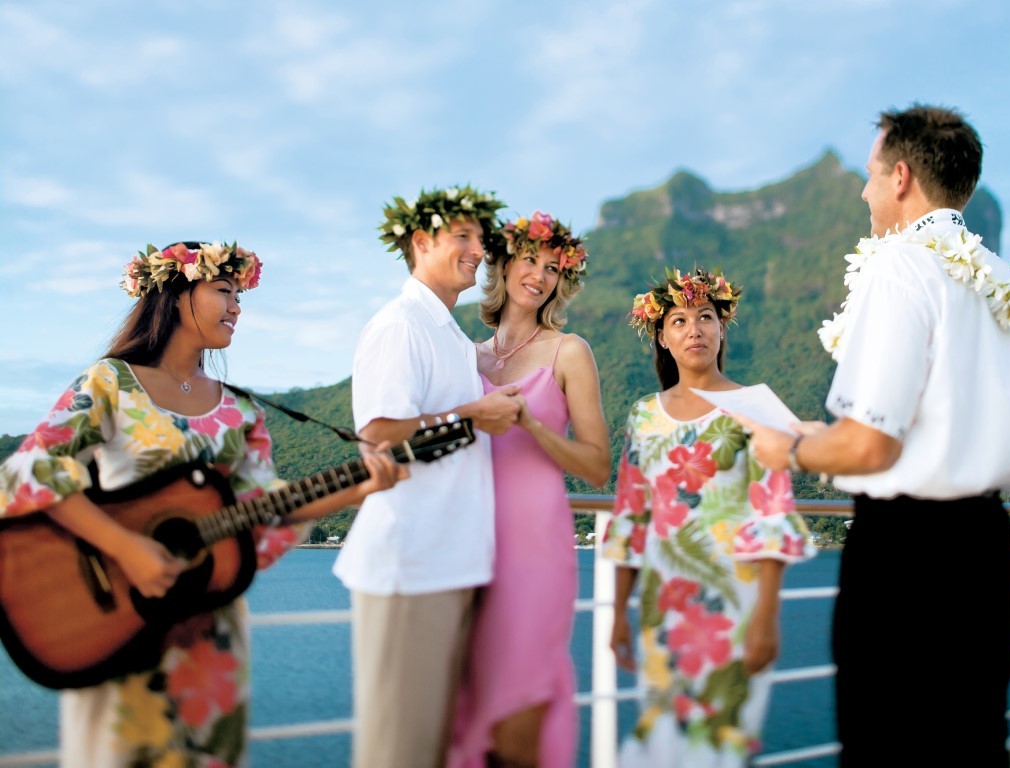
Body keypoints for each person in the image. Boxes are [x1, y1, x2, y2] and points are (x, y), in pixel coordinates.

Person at [735, 105, 1010, 766]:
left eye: (870, 175)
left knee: (887, 741)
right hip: (987, 552)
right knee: (971, 741)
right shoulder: (1009, 284)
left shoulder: (902, 267)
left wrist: (790, 448)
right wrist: (841, 435)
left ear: (902, 177)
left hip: (907, 560)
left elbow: (869, 447)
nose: (863, 191)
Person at [0, 240, 406, 768]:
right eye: (224, 291)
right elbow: (28, 468)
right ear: (175, 295)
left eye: (240, 295)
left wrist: (360, 489)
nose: (237, 307)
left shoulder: (240, 409)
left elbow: (264, 505)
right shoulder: (111, 383)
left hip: (211, 632)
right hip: (124, 622)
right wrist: (128, 549)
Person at [335, 185, 524, 768]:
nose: (476, 249)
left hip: (449, 562)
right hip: (409, 567)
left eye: (479, 238)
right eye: (461, 236)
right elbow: (380, 437)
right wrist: (475, 413)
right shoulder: (400, 326)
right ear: (420, 242)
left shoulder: (446, 333)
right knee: (399, 749)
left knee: (431, 747)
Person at [601, 267, 816, 767]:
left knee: (721, 743)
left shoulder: (756, 406)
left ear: (722, 329)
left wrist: (766, 618)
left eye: (705, 317)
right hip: (664, 607)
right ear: (661, 336)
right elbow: (631, 517)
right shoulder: (642, 415)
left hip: (734, 611)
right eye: (678, 320)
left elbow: (772, 512)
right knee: (663, 741)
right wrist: (616, 615)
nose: (693, 329)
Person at [448, 212, 611, 768]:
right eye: (529, 261)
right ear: (504, 262)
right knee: (464, 706)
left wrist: (531, 425)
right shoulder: (466, 355)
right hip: (467, 544)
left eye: (552, 269)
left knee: (518, 714)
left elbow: (597, 467)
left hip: (534, 550)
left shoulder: (570, 352)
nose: (539, 277)